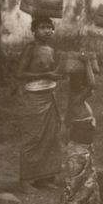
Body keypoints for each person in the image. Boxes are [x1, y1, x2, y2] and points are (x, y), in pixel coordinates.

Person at [15, 17, 63, 193]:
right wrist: (46, 75)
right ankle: (26, 180)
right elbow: (20, 74)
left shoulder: (51, 49)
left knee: (50, 137)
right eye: (42, 27)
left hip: (49, 96)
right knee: (33, 136)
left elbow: (54, 71)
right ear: (33, 31)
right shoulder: (30, 49)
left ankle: (44, 178)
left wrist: (57, 74)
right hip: (34, 98)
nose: (47, 30)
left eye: (50, 27)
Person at [61, 52, 100, 204]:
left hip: (86, 149)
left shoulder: (82, 103)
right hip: (78, 150)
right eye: (81, 83)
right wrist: (88, 64)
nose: (85, 86)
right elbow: (92, 84)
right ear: (77, 86)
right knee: (75, 181)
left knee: (87, 182)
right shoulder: (76, 100)